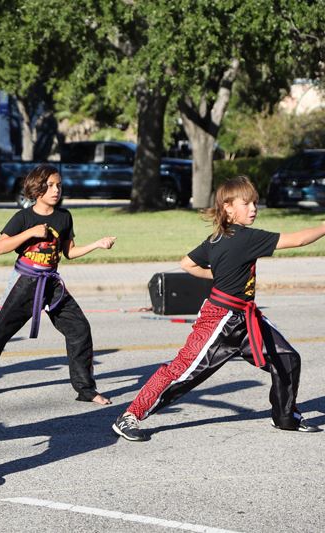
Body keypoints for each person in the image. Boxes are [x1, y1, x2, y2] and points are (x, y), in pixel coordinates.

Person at [113, 176, 325, 442]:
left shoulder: (216, 238)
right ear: (227, 207)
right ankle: (130, 416)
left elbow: (186, 264)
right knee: (182, 372)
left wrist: (221, 276)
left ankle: (285, 417)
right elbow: (299, 240)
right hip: (220, 319)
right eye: (246, 203)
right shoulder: (247, 237)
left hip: (246, 319)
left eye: (255, 203)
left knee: (286, 358)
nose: (253, 208)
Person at [0, 165, 114, 405]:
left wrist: (97, 244)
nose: (56, 190)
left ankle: (86, 389)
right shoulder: (24, 217)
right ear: (37, 188)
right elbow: (1, 247)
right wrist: (30, 233)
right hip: (24, 282)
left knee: (79, 329)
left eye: (58, 185)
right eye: (50, 185)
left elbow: (69, 252)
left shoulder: (64, 217)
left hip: (52, 284)